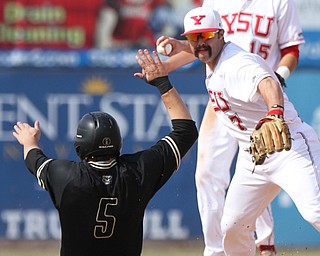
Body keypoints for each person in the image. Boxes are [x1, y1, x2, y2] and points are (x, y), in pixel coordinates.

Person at [12, 49, 198, 256]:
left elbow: (34, 159)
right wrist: (163, 83)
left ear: (80, 147)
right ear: (117, 142)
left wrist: (28, 140)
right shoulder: (138, 171)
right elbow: (186, 132)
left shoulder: (64, 176)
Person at [155, 0, 305, 255]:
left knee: (261, 165)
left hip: (259, 98)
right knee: (207, 174)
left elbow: (291, 49)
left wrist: (278, 77)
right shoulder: (215, 1)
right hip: (221, 98)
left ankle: (264, 244)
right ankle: (215, 249)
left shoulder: (278, 3)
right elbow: (201, 47)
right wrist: (166, 67)